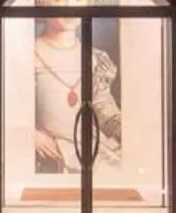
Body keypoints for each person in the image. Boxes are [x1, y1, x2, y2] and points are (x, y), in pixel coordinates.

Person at [30, 16, 123, 173]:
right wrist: (29, 132)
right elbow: (13, 104)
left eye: (78, 0)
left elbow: (102, 105)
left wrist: (121, 129)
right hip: (55, 146)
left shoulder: (95, 57)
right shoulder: (29, 54)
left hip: (92, 143)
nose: (71, 11)